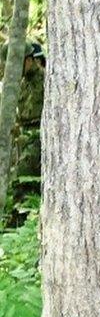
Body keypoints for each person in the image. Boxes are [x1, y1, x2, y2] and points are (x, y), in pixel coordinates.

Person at [1, 41, 45, 219]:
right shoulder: (21, 83)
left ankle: (18, 220)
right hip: (22, 136)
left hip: (39, 135)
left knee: (23, 174)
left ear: (28, 60)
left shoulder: (45, 79)